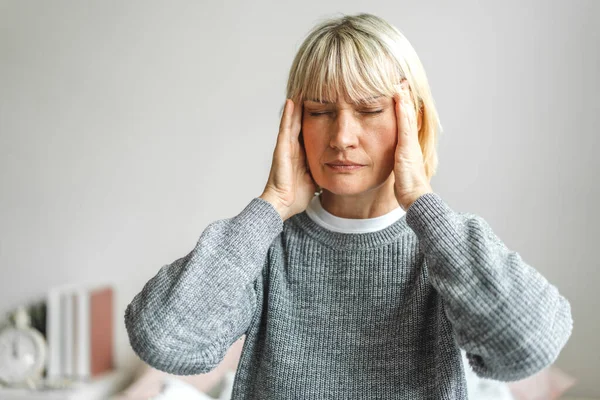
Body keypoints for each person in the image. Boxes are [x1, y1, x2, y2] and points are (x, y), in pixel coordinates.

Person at [124, 13, 573, 399]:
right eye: (320, 112)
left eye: (370, 110)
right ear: (296, 124)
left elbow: (527, 346)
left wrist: (421, 203)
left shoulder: (446, 248)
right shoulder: (264, 248)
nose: (341, 137)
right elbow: (164, 342)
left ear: (409, 119)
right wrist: (271, 206)